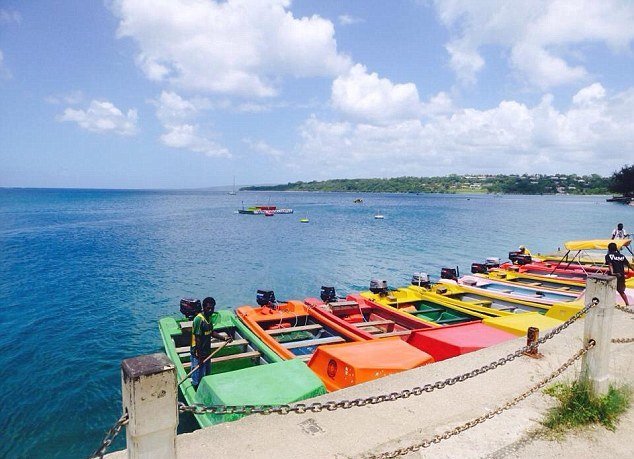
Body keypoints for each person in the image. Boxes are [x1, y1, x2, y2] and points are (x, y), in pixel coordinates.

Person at [190, 297, 232, 389]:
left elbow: (211, 332)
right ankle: (195, 390)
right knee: (197, 378)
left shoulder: (209, 318)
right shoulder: (199, 320)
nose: (210, 310)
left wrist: (224, 338)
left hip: (206, 351)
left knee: (207, 374)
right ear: (203, 308)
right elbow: (198, 339)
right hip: (198, 353)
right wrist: (200, 358)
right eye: (208, 308)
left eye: (212, 308)